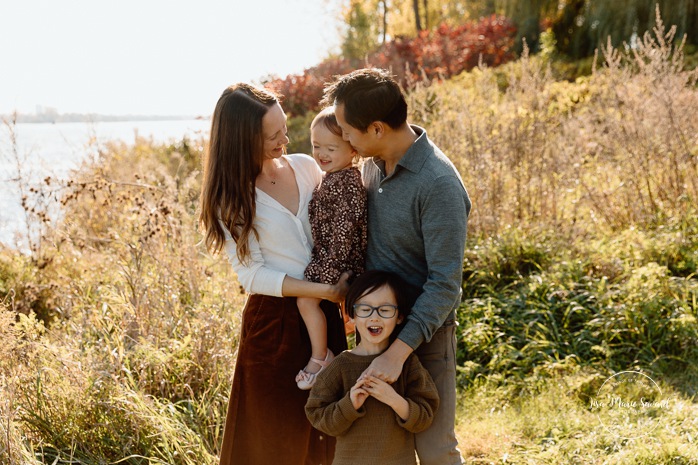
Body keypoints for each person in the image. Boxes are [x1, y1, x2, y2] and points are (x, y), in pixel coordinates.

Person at [321, 68, 472, 465]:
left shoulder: (438, 184)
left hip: (424, 335)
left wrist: (397, 354)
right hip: (375, 326)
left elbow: (445, 285)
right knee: (378, 448)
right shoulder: (372, 164)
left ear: (375, 128)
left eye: (347, 130)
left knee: (436, 448)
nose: (344, 138)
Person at [198, 83, 349, 465]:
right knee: (274, 443)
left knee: (326, 438)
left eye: (284, 127)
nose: (285, 138)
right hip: (273, 329)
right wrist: (320, 291)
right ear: (241, 140)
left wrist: (345, 295)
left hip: (325, 314)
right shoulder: (232, 197)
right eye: (272, 135)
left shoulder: (307, 165)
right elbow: (252, 276)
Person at [305, 270, 439, 465]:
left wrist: (394, 400)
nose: (374, 317)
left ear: (399, 316)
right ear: (351, 316)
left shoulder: (406, 362)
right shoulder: (340, 366)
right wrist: (350, 404)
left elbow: (425, 417)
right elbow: (318, 415)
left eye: (384, 310)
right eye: (365, 309)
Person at [295, 107, 367, 390]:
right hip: (332, 256)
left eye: (331, 148)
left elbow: (345, 228)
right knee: (314, 302)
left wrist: (331, 264)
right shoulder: (332, 176)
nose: (321, 154)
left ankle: (321, 357)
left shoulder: (348, 182)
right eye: (316, 146)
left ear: (353, 150)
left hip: (341, 259)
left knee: (305, 300)